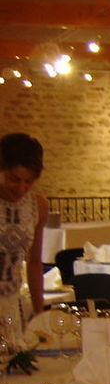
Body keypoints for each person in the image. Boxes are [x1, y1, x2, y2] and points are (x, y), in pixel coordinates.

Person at [0, 132, 47, 328]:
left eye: (28, 181)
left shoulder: (38, 206)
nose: (21, 188)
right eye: (13, 179)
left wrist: (40, 315)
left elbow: (34, 263)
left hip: (11, 303)